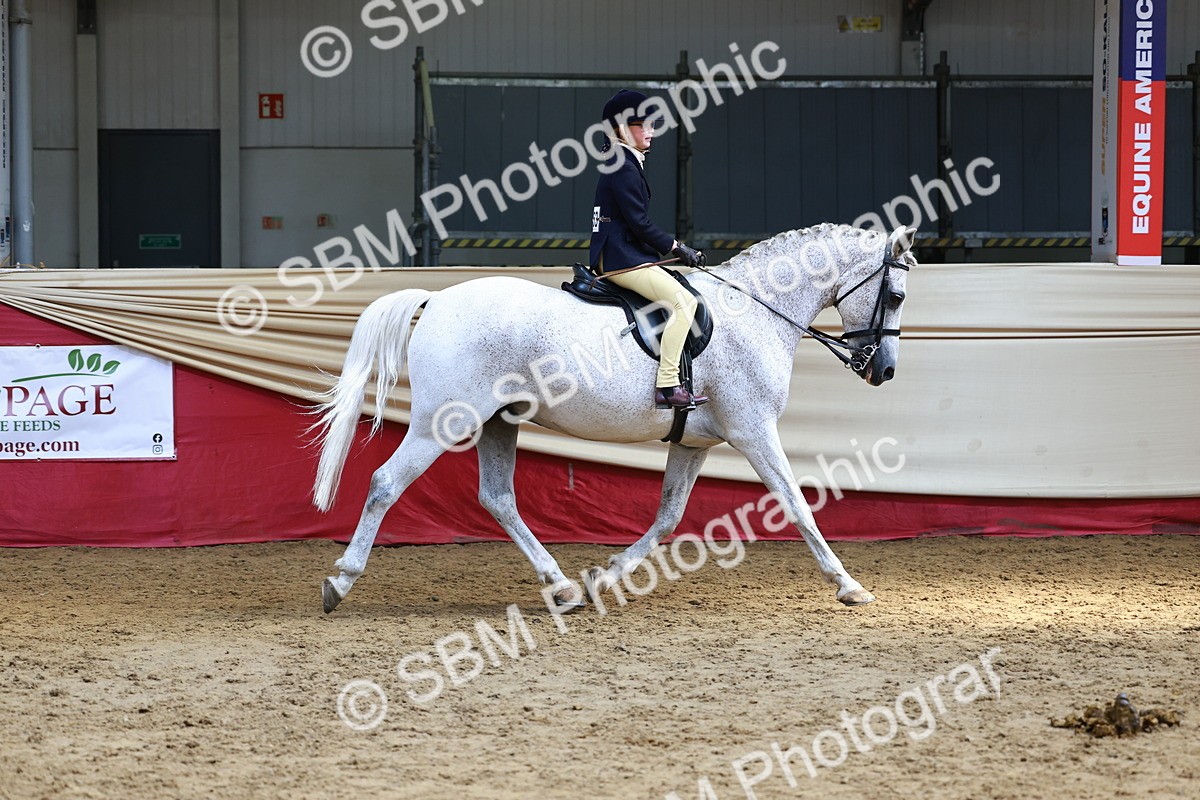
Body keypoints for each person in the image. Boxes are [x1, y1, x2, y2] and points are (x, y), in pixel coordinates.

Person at [589, 89, 709, 410]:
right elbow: (640, 224)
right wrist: (677, 247)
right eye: (644, 125)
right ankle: (668, 385)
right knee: (685, 303)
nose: (652, 132)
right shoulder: (624, 166)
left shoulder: (622, 160)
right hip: (620, 259)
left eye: (653, 125)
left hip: (621, 252)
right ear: (623, 128)